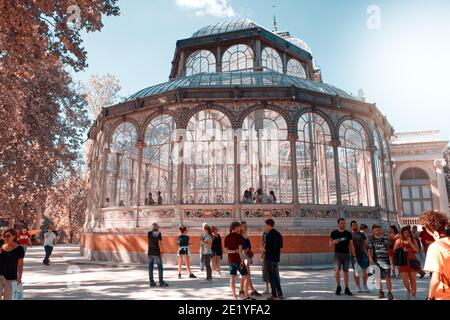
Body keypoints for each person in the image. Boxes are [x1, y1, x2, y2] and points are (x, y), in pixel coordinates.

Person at [419, 210, 450, 300]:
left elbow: (435, 279)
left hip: (444, 294)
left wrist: (429, 297)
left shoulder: (435, 247)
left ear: (428, 229)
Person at [224, 222, 253, 300]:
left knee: (232, 277)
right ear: (235, 227)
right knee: (246, 276)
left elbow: (225, 250)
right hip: (238, 260)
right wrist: (241, 260)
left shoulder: (227, 237)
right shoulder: (239, 236)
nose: (240, 228)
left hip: (230, 260)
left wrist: (233, 251)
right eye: (239, 227)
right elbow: (240, 250)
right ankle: (246, 296)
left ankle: (234, 296)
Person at [329, 218, 355, 296]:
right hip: (337, 254)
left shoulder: (348, 233)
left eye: (344, 223)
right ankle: (338, 287)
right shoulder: (334, 233)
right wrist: (334, 242)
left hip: (346, 254)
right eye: (341, 223)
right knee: (337, 270)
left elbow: (351, 245)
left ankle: (347, 288)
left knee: (346, 272)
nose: (343, 225)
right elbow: (330, 244)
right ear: (338, 224)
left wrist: (354, 256)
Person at [368, 225, 394, 300]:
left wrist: (392, 262)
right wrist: (370, 258)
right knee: (378, 277)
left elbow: (390, 250)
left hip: (386, 261)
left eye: (379, 230)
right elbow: (369, 250)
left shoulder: (385, 239)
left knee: (387, 277)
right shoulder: (372, 240)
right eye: (376, 230)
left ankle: (389, 292)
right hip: (376, 261)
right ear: (373, 231)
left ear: (380, 230)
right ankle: (381, 291)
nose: (377, 232)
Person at [394, 227, 421, 300]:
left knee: (413, 280)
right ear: (402, 233)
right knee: (405, 280)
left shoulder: (413, 240)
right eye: (405, 232)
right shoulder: (398, 241)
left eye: (408, 232)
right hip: (402, 263)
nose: (407, 234)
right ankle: (408, 290)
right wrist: (403, 250)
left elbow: (417, 250)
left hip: (412, 261)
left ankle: (413, 296)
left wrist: (410, 242)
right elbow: (394, 252)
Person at [0, 229, 25, 300]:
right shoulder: (2, 247)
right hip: (0, 276)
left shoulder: (19, 249)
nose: (6, 238)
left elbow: (20, 264)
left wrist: (20, 276)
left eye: (8, 236)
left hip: (11, 278)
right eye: (4, 236)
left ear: (14, 236)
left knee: (7, 298)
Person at [239, 222, 261, 297]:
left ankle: (242, 290)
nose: (245, 227)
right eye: (243, 226)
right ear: (240, 227)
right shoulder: (240, 235)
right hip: (243, 256)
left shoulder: (245, 235)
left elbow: (248, 246)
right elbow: (242, 248)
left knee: (245, 275)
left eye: (245, 226)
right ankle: (252, 290)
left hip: (246, 255)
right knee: (246, 275)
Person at [264, 219, 284, 300]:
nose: (265, 227)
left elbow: (267, 248)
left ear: (268, 225)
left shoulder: (269, 235)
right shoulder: (279, 234)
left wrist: (263, 249)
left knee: (271, 277)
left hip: (269, 258)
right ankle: (280, 294)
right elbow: (280, 246)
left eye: (266, 225)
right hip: (276, 258)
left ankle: (274, 295)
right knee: (276, 277)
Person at [350, 221, 369, 293]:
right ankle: (358, 286)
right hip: (354, 256)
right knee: (356, 272)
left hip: (363, 255)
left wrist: (368, 251)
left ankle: (365, 285)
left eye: (356, 225)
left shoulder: (362, 234)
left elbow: (365, 243)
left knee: (365, 271)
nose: (355, 226)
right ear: (351, 226)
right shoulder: (349, 235)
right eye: (353, 225)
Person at [148, 223, 168, 287]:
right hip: (156, 252)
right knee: (160, 267)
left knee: (150, 267)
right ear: (156, 227)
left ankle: (151, 282)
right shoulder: (159, 234)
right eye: (158, 226)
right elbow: (160, 243)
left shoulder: (149, 233)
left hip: (150, 252)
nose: (159, 227)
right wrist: (162, 251)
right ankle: (161, 282)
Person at [261, 230, 270, 295]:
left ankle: (272, 288)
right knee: (265, 271)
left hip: (270, 255)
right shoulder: (264, 233)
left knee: (270, 272)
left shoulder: (272, 234)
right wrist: (262, 252)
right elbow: (263, 243)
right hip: (265, 254)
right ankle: (267, 288)